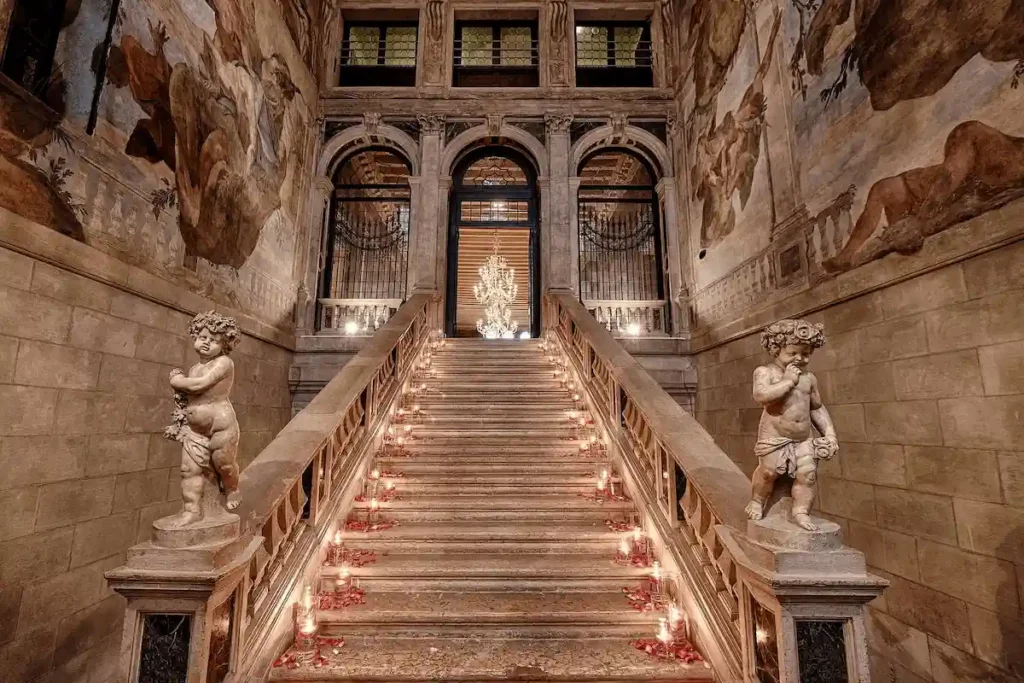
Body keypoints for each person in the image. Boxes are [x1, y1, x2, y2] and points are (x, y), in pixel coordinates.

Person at [744, 319, 838, 531]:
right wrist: (787, 381)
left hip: (803, 438)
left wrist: (829, 433)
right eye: (793, 353)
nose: (800, 359)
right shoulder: (765, 372)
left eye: (806, 354)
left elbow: (816, 407)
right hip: (774, 436)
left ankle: (800, 511)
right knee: (768, 472)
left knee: (808, 474)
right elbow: (762, 396)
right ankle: (757, 500)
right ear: (776, 349)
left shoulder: (809, 378)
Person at [165, 312, 242, 526]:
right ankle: (191, 511)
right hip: (195, 430)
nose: (207, 342)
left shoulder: (224, 363)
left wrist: (176, 380)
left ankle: (232, 489)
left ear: (225, 344)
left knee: (224, 465)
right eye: (203, 337)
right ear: (195, 336)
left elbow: (200, 385)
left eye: (215, 340)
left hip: (221, 427)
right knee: (188, 470)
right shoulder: (194, 368)